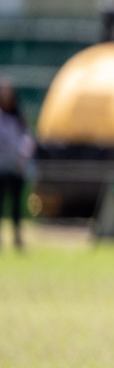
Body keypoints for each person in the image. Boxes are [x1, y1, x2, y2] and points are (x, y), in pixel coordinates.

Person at [0, 80, 33, 250]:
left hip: (16, 168)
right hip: (1, 167)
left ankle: (17, 238)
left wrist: (23, 158)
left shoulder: (19, 117)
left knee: (15, 207)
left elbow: (27, 139)